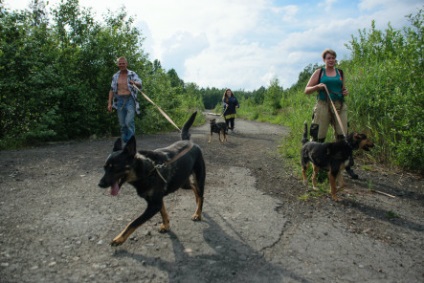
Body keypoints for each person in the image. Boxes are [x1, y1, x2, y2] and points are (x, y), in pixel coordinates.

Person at [304, 49, 358, 179]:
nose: (331, 60)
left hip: (339, 105)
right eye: (328, 58)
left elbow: (343, 88)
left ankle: (346, 166)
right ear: (324, 60)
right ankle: (315, 166)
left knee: (343, 136)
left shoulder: (340, 72)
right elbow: (307, 90)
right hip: (323, 104)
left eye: (333, 58)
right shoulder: (319, 72)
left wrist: (345, 92)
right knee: (318, 136)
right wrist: (318, 87)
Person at [108, 57, 142, 144]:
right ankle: (125, 143)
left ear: (126, 64)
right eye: (120, 63)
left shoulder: (132, 74)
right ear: (118, 65)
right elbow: (112, 90)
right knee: (122, 124)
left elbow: (140, 84)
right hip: (119, 101)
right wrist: (109, 104)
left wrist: (134, 83)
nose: (122, 65)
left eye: (123, 63)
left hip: (129, 100)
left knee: (128, 122)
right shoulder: (115, 76)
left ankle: (130, 144)